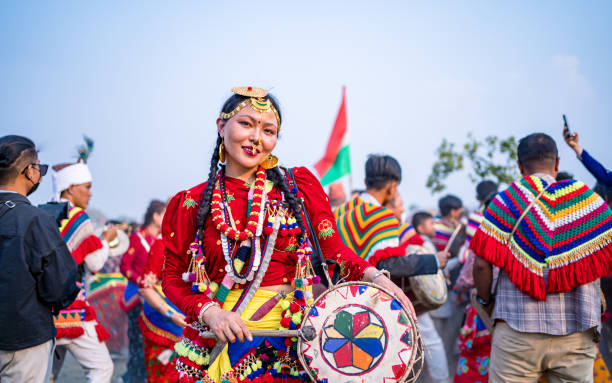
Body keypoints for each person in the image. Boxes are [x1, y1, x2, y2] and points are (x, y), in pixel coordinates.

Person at [161, 86, 415, 382]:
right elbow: (172, 276)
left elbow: (335, 252)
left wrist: (379, 279)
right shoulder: (191, 202)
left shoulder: (298, 188)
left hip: (290, 343)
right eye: (246, 124)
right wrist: (210, 313)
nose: (256, 138)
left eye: (268, 131)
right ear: (221, 126)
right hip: (219, 339)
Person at [472, 132, 612, 382]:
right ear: (557, 163)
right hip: (577, 334)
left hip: (516, 332)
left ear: (519, 166)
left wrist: (485, 303)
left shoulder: (506, 201)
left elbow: (481, 264)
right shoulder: (591, 203)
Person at [0, 135, 79, 383]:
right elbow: (61, 286)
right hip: (23, 340)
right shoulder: (33, 219)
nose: (40, 174)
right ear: (29, 171)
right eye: (40, 168)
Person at [49, 156, 116, 382]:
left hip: (45, 309)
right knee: (102, 368)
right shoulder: (77, 217)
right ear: (71, 188)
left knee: (47, 373)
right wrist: (106, 240)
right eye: (87, 187)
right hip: (71, 310)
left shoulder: (47, 213)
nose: (90, 193)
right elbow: (94, 263)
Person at [335, 154, 447, 279]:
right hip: (362, 294)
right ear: (392, 187)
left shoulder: (339, 211)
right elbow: (387, 265)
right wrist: (434, 261)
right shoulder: (383, 216)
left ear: (366, 181)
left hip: (334, 291)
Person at [401, 211, 451, 383]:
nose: (434, 227)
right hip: (410, 298)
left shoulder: (415, 240)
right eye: (431, 224)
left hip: (410, 298)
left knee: (425, 341)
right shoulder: (414, 240)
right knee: (430, 341)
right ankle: (441, 379)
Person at [120, 199, 167, 383]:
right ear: (155, 216)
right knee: (138, 343)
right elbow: (125, 266)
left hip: (157, 298)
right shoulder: (137, 238)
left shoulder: (163, 240)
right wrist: (142, 281)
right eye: (164, 215)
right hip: (137, 297)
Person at [138, 236, 186, 382]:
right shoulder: (163, 244)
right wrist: (170, 314)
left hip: (192, 318)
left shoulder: (202, 243)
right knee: (163, 376)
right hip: (163, 323)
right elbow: (145, 289)